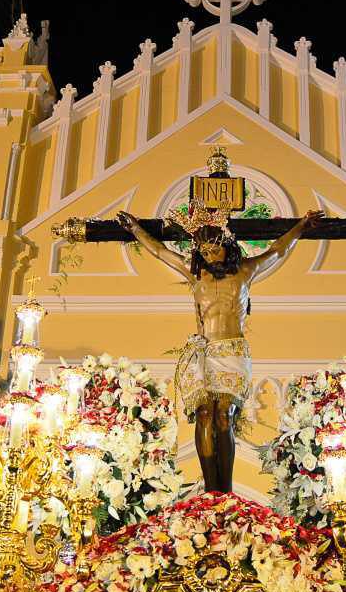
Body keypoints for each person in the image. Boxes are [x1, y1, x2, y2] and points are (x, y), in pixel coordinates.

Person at [117, 205, 322, 493]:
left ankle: (224, 489)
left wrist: (300, 227)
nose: (210, 256)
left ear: (227, 246)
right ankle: (210, 491)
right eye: (205, 252)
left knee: (224, 415)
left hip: (233, 351)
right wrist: (136, 229)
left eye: (215, 249)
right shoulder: (196, 275)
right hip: (204, 352)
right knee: (204, 414)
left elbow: (277, 251)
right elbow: (161, 252)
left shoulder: (245, 272)